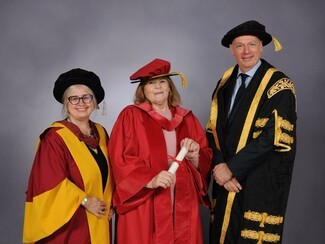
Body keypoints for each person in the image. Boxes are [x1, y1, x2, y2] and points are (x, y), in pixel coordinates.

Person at [206, 20, 297, 243]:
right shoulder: (224, 83)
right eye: (240, 45)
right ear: (232, 50)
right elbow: (213, 130)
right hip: (224, 181)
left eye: (252, 44)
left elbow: (273, 137)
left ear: (261, 47)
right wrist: (219, 166)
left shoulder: (279, 85)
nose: (246, 51)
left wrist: (232, 169)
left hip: (259, 180)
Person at [108, 58, 212, 244]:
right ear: (143, 90)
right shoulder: (131, 116)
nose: (157, 87)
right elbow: (119, 157)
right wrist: (151, 178)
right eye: (151, 83)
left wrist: (195, 154)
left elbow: (205, 158)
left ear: (170, 87)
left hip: (181, 197)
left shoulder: (187, 118)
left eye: (162, 81)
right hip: (145, 199)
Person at [22, 68, 114, 243]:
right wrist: (86, 200)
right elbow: (48, 183)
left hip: (99, 219)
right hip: (70, 224)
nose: (81, 103)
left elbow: (111, 172)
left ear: (95, 102)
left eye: (87, 97)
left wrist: (112, 203)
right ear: (65, 103)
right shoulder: (55, 138)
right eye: (74, 98)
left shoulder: (101, 133)